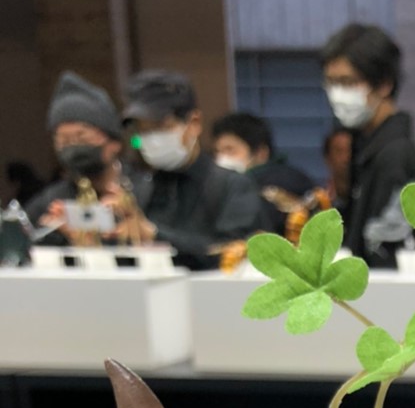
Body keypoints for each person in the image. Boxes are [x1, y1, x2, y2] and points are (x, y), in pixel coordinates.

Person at [122, 70, 265, 270]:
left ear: (194, 123)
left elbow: (233, 253)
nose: (152, 138)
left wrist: (155, 234)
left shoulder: (233, 186)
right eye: (143, 130)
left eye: (161, 126)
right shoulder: (137, 187)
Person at [319, 23, 415, 267]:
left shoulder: (394, 154)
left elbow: (386, 251)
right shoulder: (363, 144)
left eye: (347, 82)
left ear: (384, 84)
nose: (337, 94)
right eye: (331, 83)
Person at [24, 72, 136, 245]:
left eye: (82, 137)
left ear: (114, 143)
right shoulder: (52, 201)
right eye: (64, 141)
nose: (74, 147)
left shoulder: (148, 191)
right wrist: (56, 236)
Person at [211, 111, 315, 235]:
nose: (221, 158)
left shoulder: (285, 182)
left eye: (230, 150)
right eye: (217, 152)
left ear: (261, 153)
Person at [322, 126, 352, 210]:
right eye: (339, 151)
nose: (346, 158)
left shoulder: (369, 198)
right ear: (328, 158)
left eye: (350, 151)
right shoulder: (321, 203)